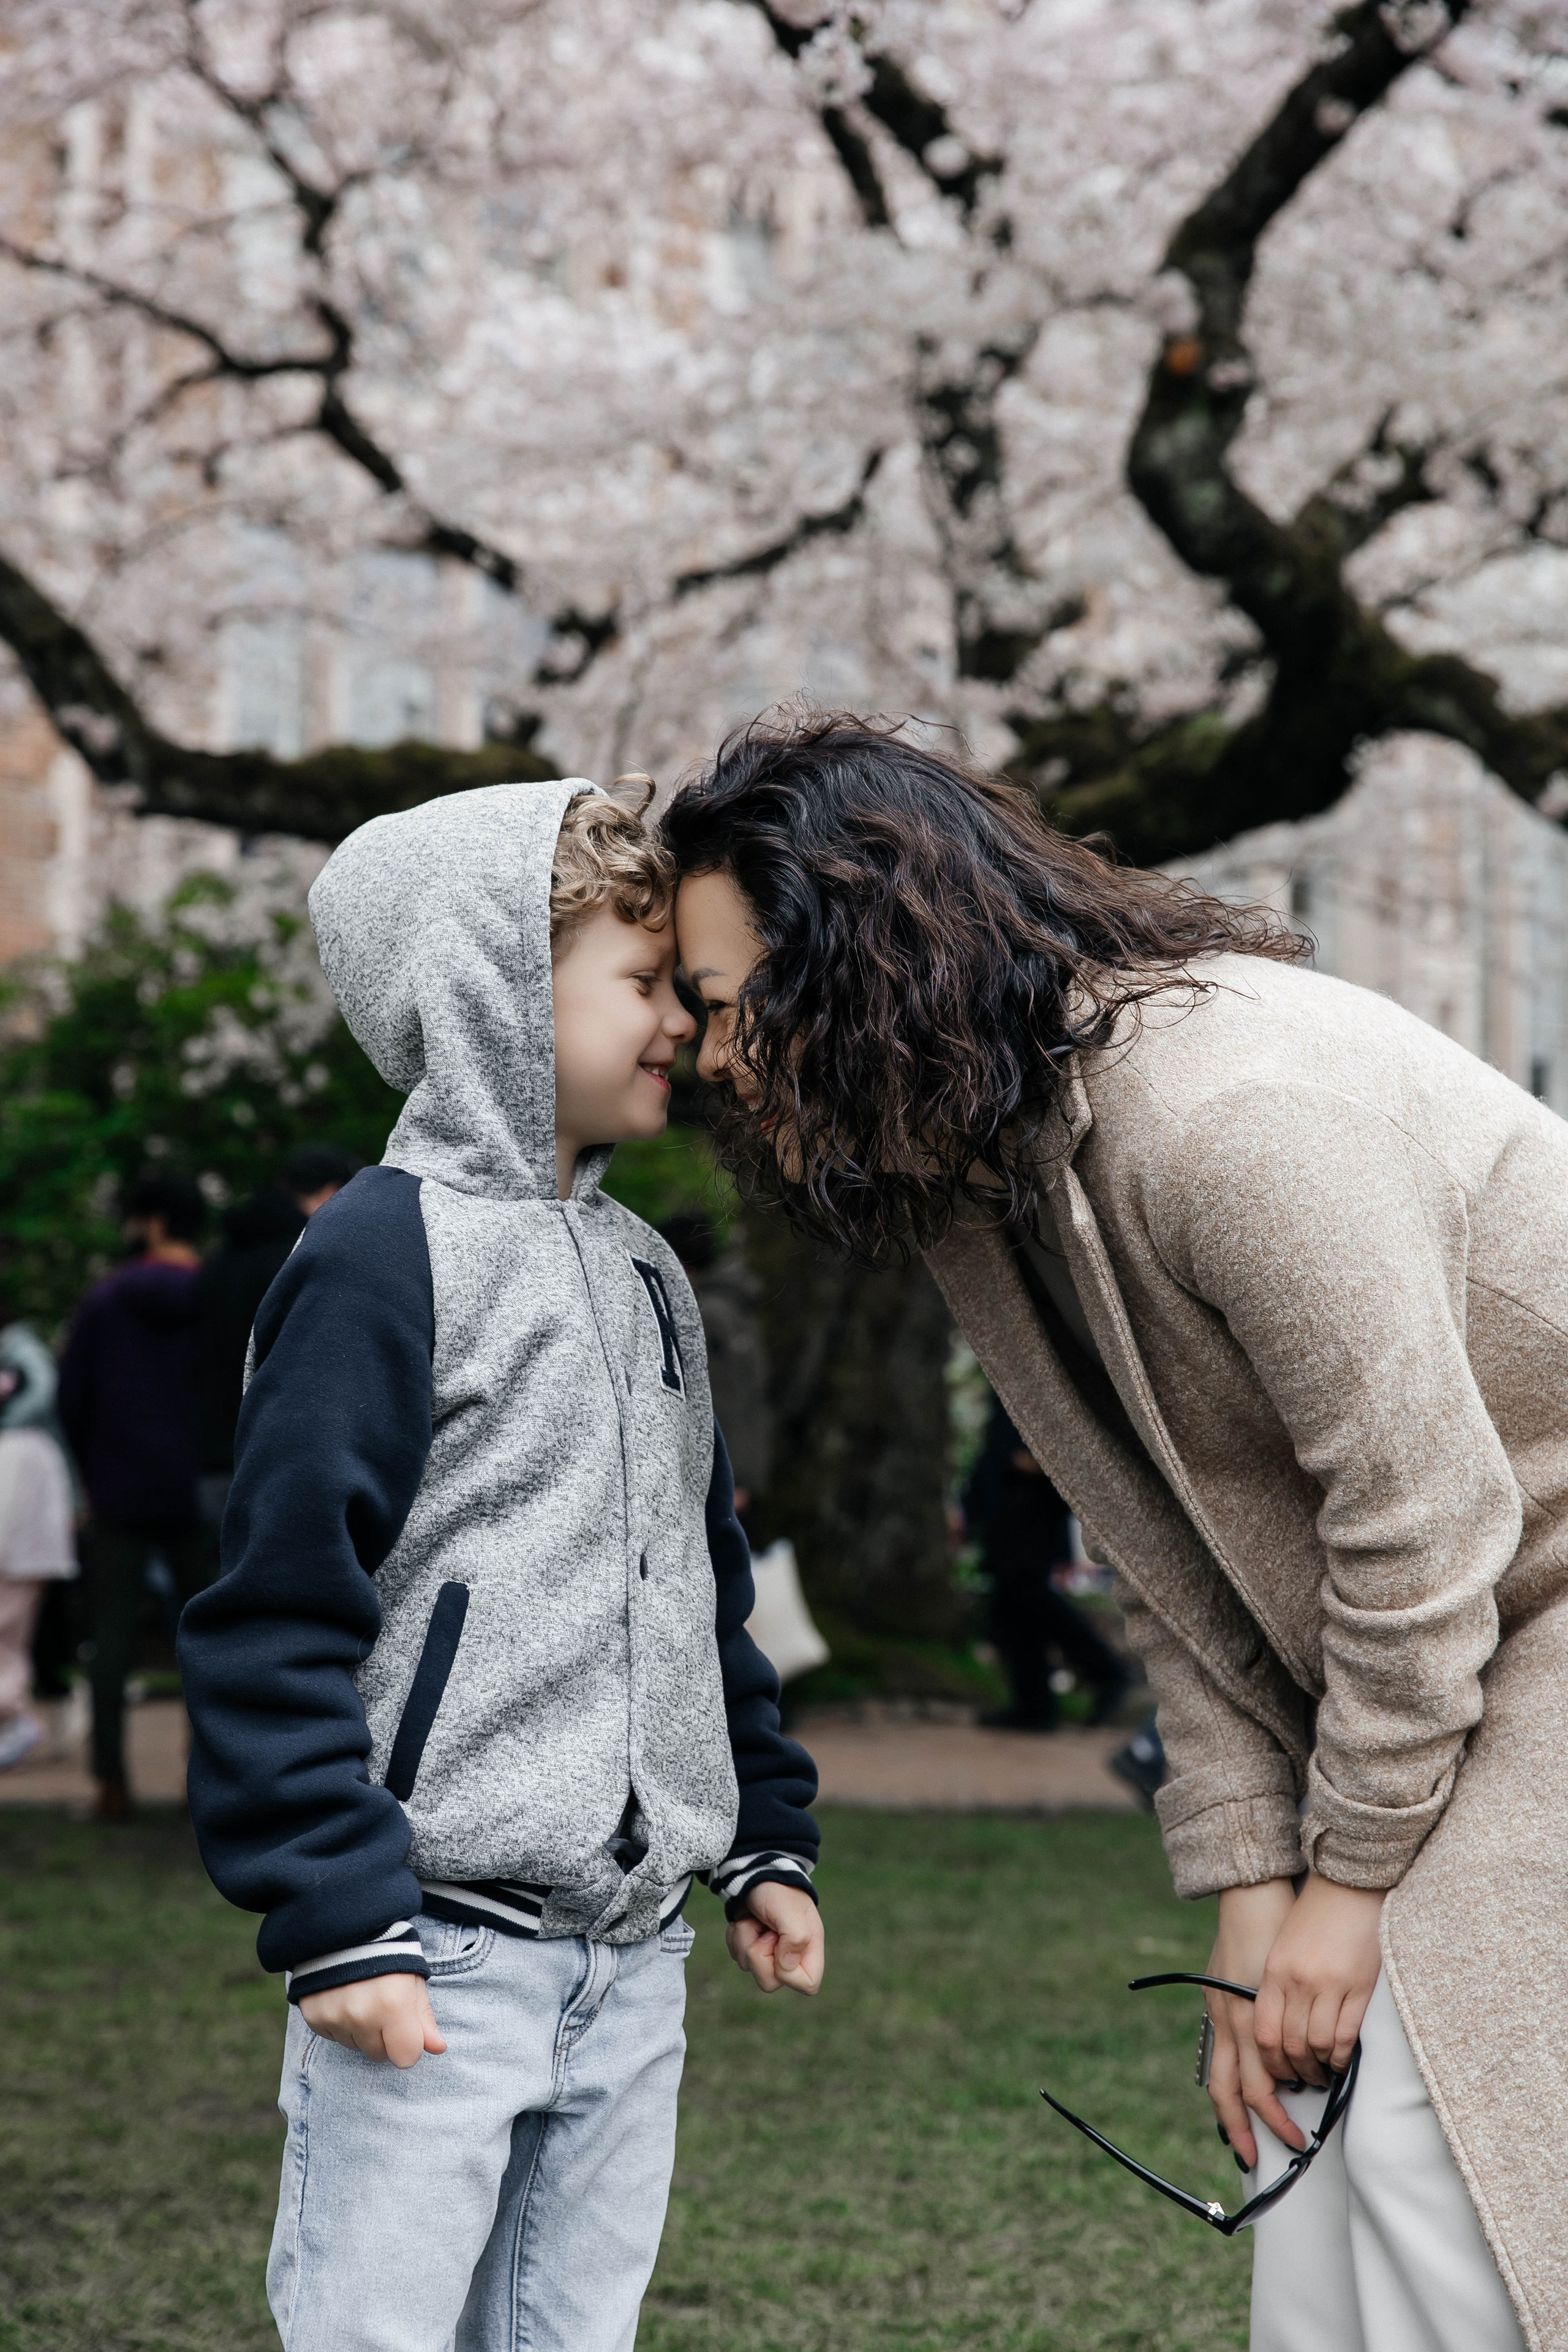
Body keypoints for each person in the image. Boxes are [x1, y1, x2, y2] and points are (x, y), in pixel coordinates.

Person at [665, 710, 1564, 2351]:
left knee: (1441, 2087)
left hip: (1521, 1592)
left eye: (725, 1007)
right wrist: (1247, 1885)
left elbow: (1425, 1523)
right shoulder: (992, 1168)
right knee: (1310, 2116)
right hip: (1460, 1612)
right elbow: (1170, 1549)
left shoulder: (1235, 1118)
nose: (708, 1056)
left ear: (851, 962)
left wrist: (1347, 1888)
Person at [178, 775, 824, 2352]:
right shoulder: (376, 1256)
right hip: (432, 1952)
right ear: (494, 990)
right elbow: (272, 1613)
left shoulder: (647, 1273)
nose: (679, 1018)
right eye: (641, 979)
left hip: (630, 1964)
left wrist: (760, 1832)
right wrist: (340, 1916)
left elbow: (699, 1585)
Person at [58, 1171, 208, 1822]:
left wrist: (91, 1468)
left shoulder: (105, 1300)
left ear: (149, 1222)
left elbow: (71, 1397)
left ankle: (112, 1783)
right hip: (200, 1487)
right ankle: (202, 1781)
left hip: (118, 1486)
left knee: (112, 1641)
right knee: (208, 1641)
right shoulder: (217, 1293)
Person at [191, 1143, 364, 1540]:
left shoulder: (218, 1260)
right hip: (284, 1465)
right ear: (330, 1192)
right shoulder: (306, 1256)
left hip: (213, 1456)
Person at [962, 1395, 1129, 1731]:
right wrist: (969, 1506)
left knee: (1030, 1596)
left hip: (1033, 1516)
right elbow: (993, 1450)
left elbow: (1062, 1450)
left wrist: (1035, 1461)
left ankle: (1107, 1672)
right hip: (1002, 1515)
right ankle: (1034, 1708)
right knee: (1012, 1610)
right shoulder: (999, 1385)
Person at [657, 1210, 773, 1520]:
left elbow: (726, 1401)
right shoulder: (733, 1302)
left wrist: (735, 1481)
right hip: (742, 1473)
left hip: (726, 1482)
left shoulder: (706, 1314)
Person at [0, 1312, 78, 1769]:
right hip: (24, 1549)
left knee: (10, 1633)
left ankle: (13, 1719)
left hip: (20, 1550)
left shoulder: (22, 1438)